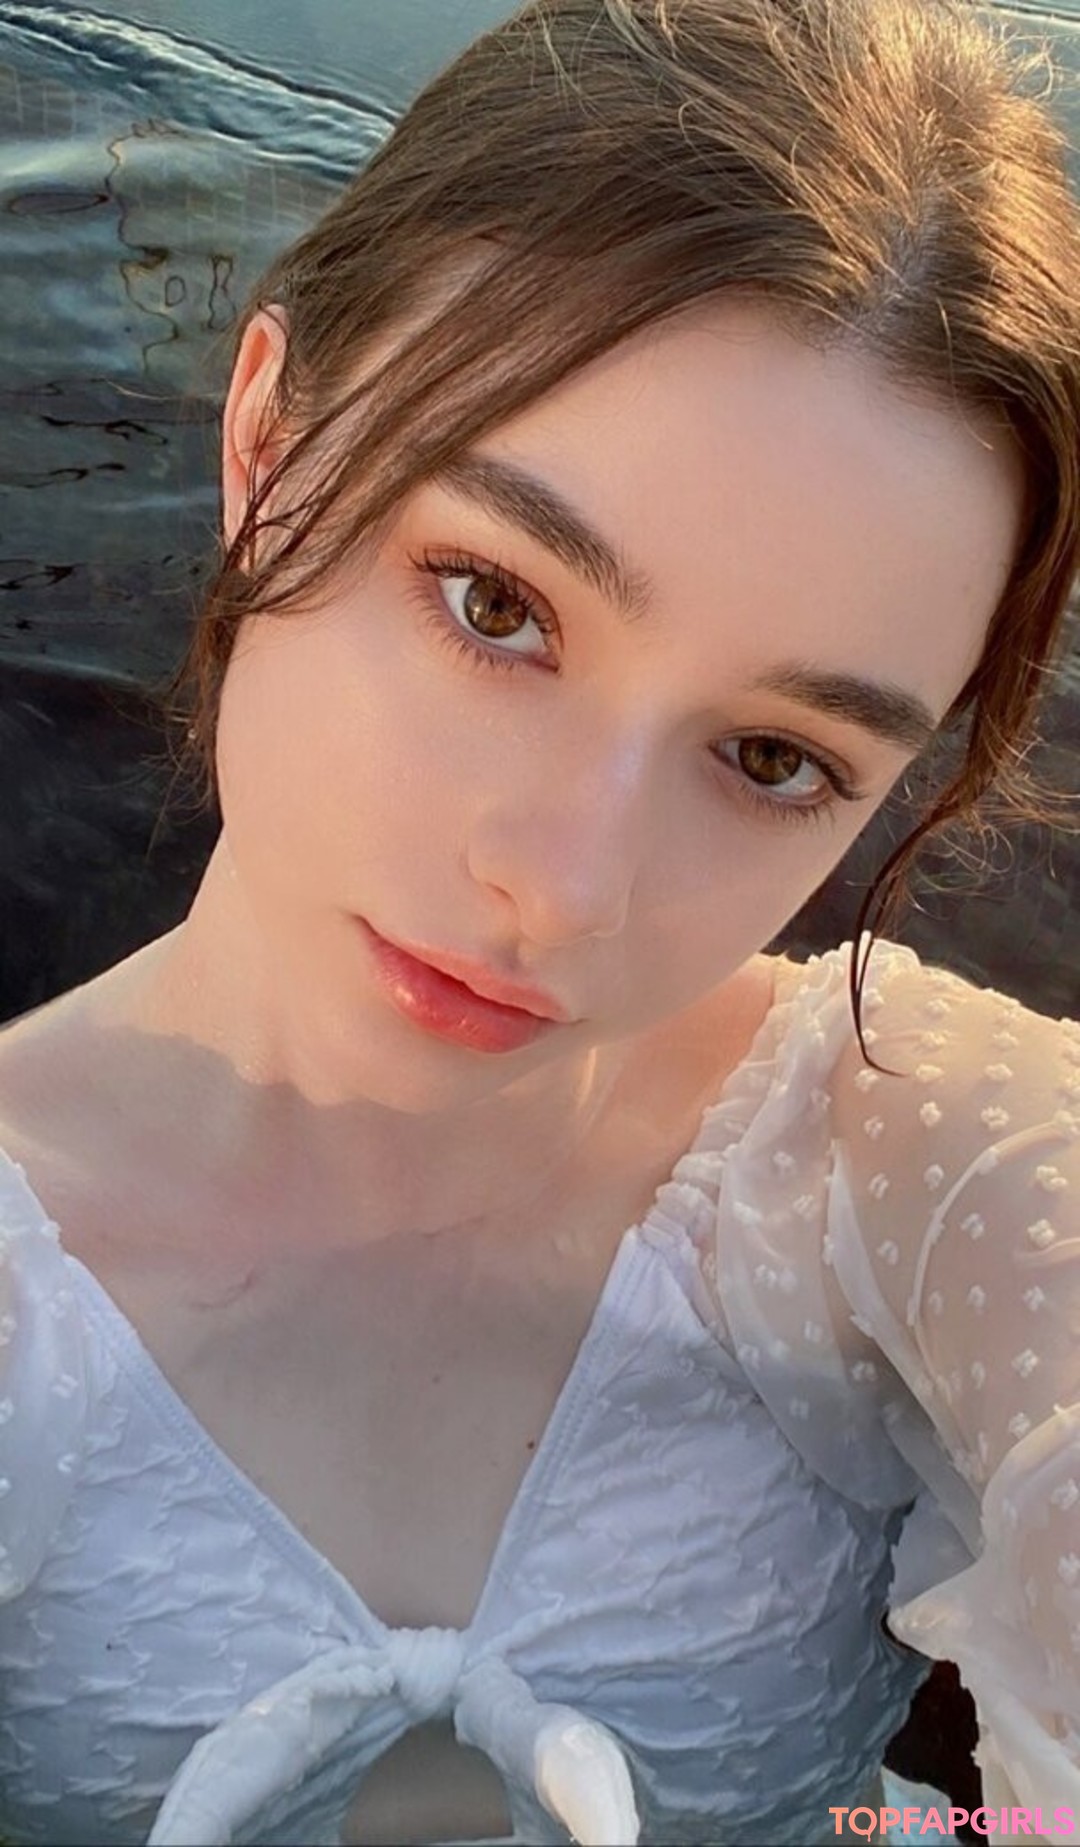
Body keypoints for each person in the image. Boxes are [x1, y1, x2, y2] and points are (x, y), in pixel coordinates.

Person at [0, 0, 1078, 1841]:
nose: (567, 892)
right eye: (494, 604)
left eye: (774, 756)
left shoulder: (905, 1160)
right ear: (265, 446)